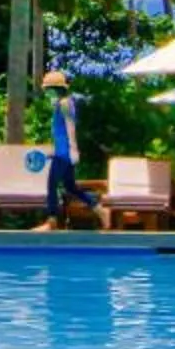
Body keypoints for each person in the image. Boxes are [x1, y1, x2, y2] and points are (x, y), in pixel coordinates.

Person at [34, 68, 99, 231]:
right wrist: (54, 151)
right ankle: (99, 208)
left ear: (56, 89)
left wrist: (73, 150)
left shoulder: (64, 104)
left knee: (51, 184)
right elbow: (60, 133)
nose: (47, 94)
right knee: (70, 187)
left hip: (65, 154)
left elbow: (70, 128)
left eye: (48, 90)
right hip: (62, 152)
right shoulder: (60, 105)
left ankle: (52, 221)